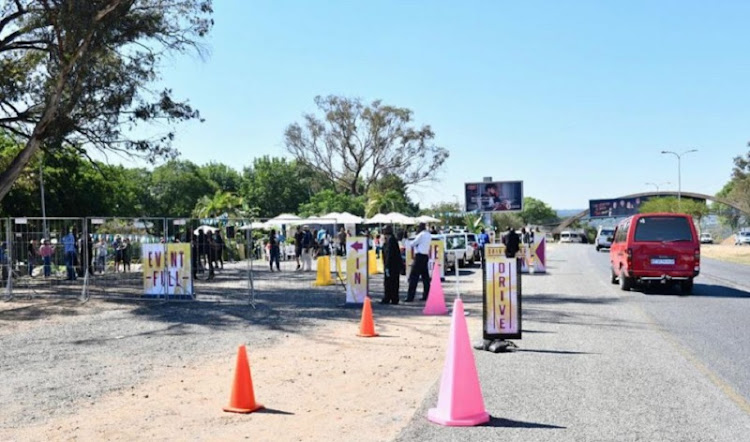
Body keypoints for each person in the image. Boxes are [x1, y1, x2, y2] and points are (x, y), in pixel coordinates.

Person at [406, 222, 431, 302]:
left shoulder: (421, 235)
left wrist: (407, 241)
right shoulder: (428, 234)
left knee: (413, 277)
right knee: (425, 278)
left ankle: (410, 297)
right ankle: (426, 295)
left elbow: (413, 243)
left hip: (419, 256)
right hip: (425, 256)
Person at [381, 225, 403, 305]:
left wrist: (387, 266)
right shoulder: (389, 240)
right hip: (392, 265)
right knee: (391, 282)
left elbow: (390, 254)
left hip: (392, 266)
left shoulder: (391, 240)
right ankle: (392, 298)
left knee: (391, 282)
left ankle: (390, 298)